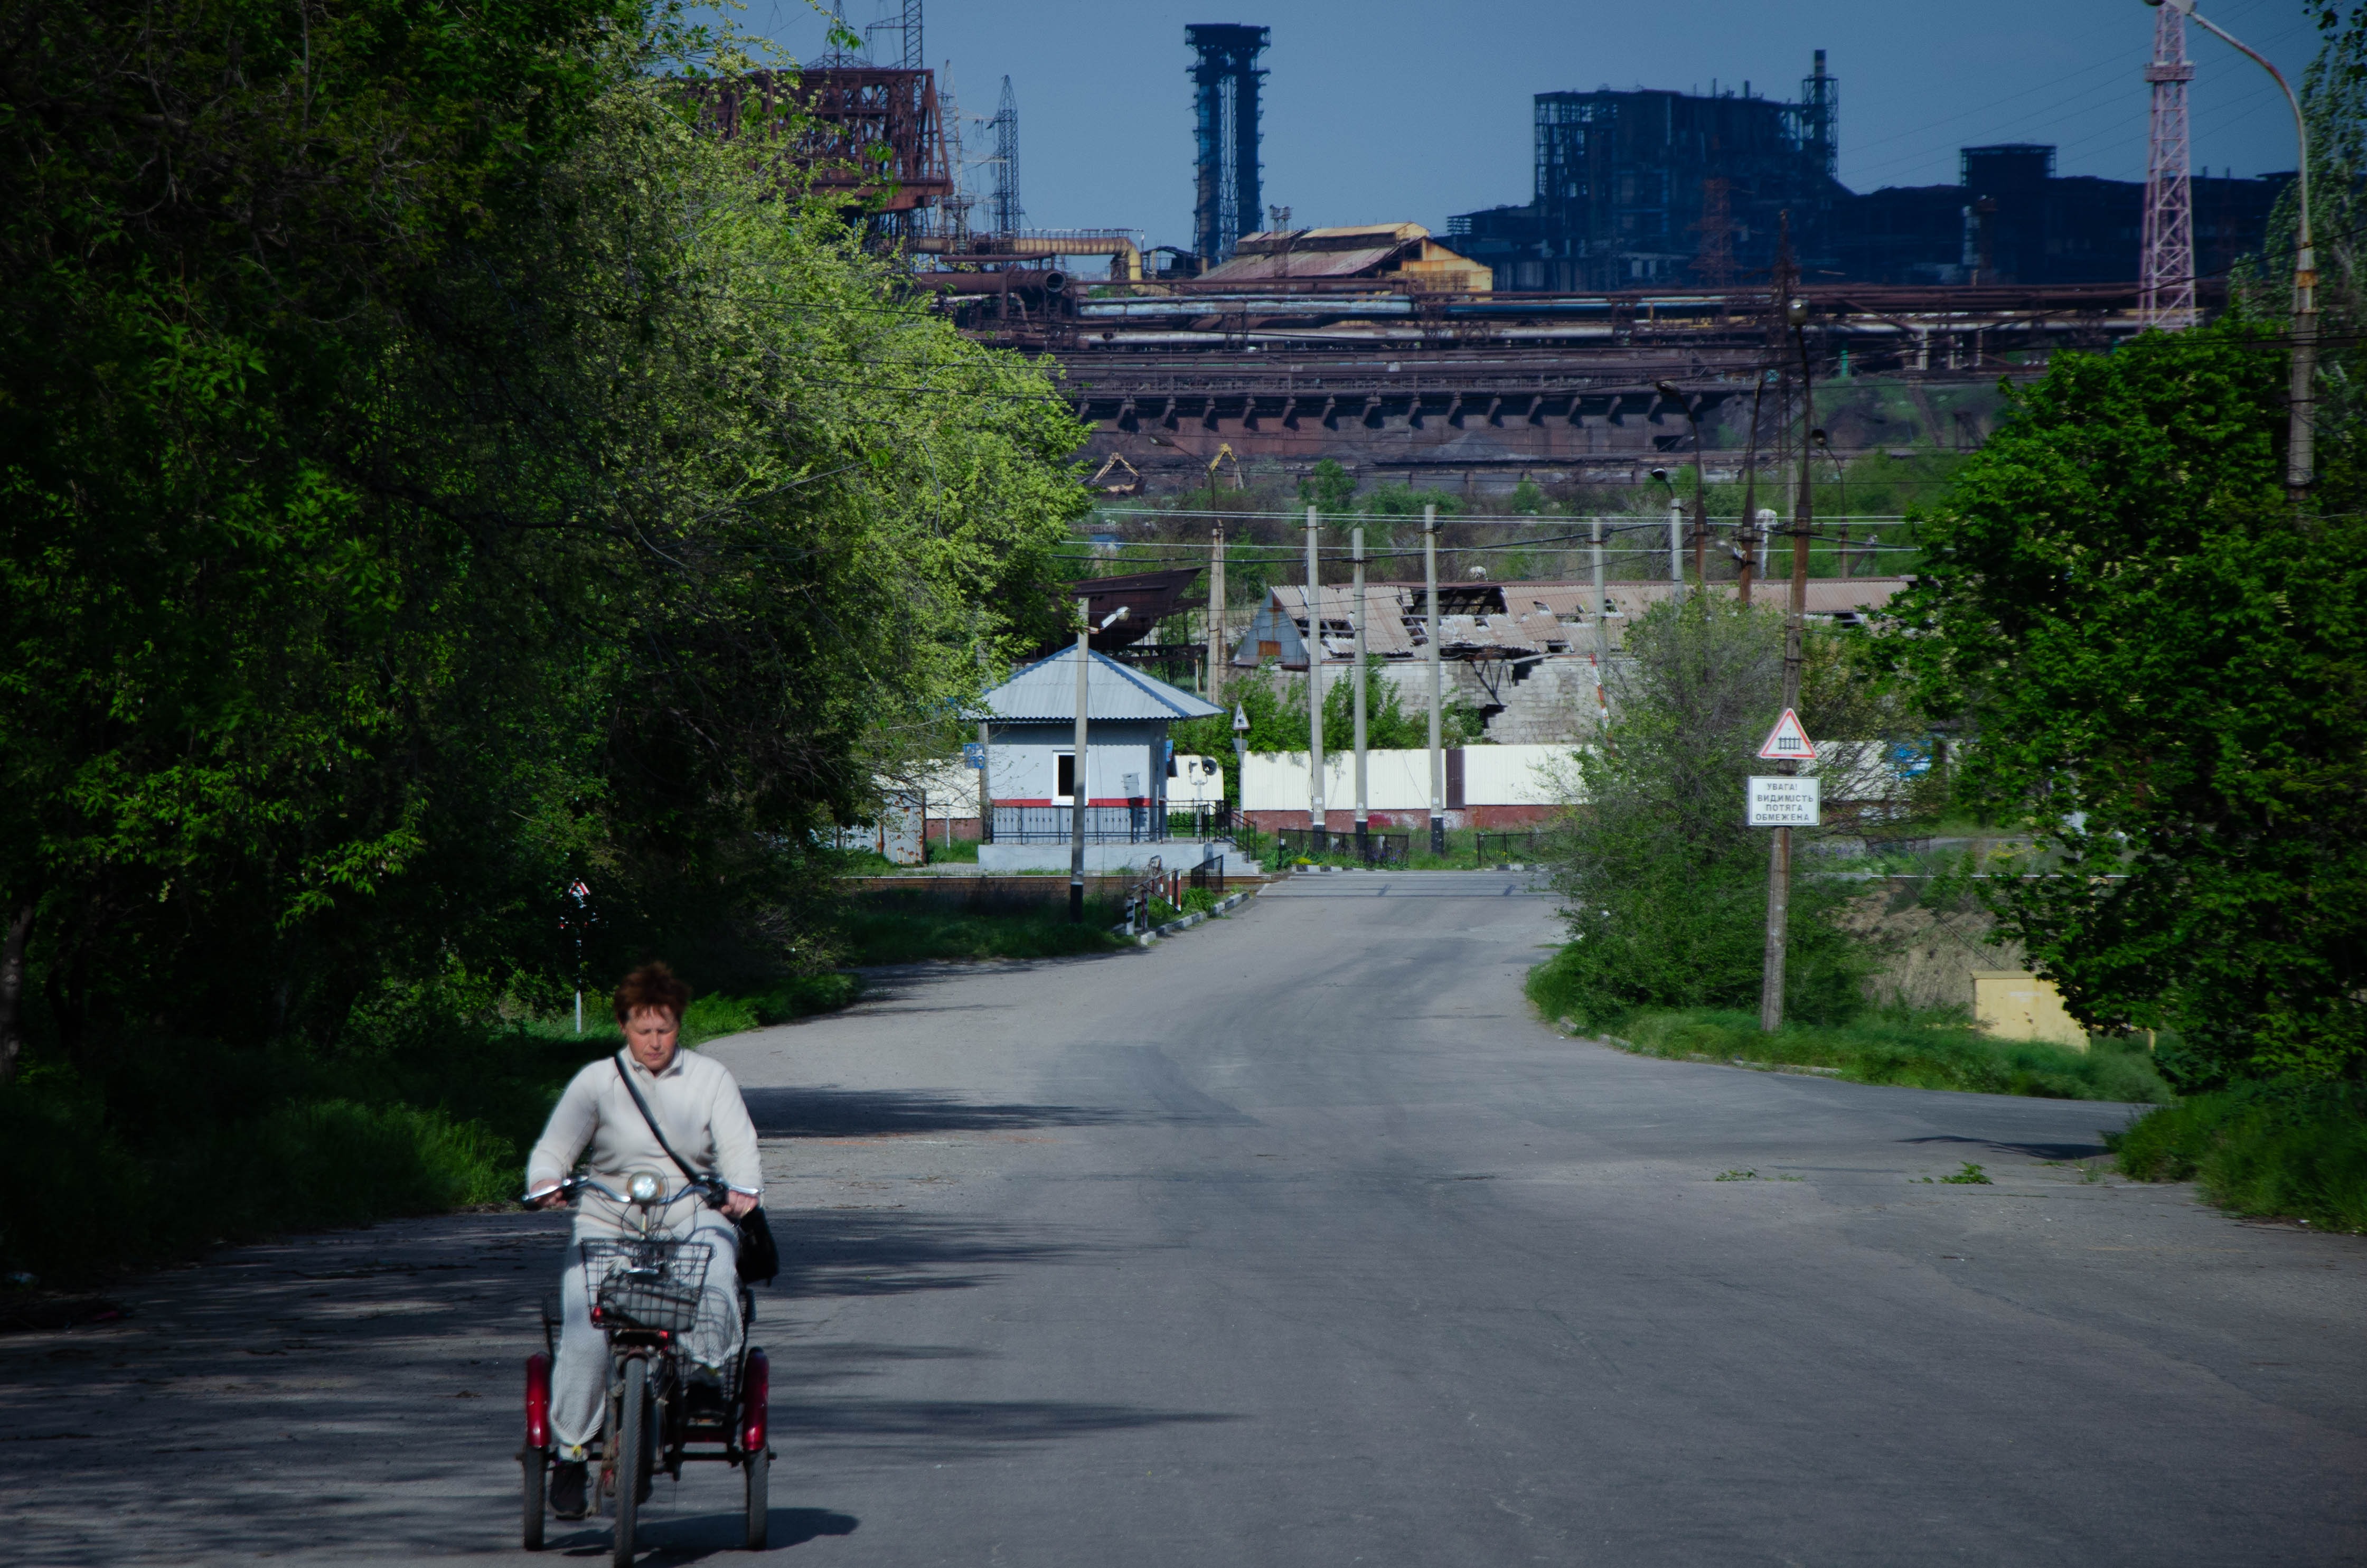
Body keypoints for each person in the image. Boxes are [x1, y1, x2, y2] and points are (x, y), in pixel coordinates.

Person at [524, 961, 763, 1520]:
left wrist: (742, 1191)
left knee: (718, 1259)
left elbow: (740, 1148)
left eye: (665, 1027)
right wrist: (545, 1182)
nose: (655, 1040)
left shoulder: (711, 1078)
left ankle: (706, 1374)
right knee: (585, 1324)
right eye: (642, 1027)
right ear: (623, 1025)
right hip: (607, 1219)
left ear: (679, 1025)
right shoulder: (596, 1082)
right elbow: (554, 1148)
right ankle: (572, 1453)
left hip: (687, 1212)